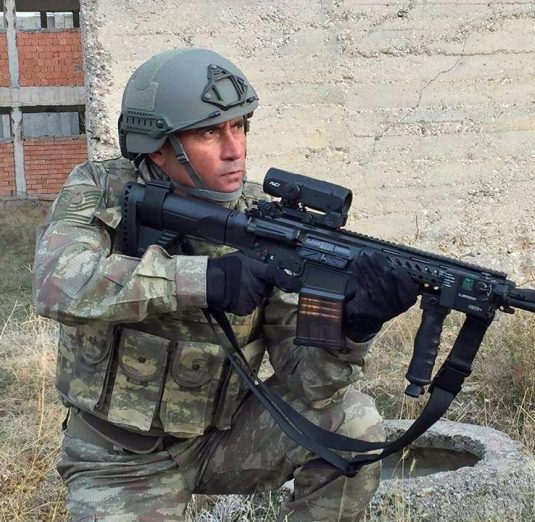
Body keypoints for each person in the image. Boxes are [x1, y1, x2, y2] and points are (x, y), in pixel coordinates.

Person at [33, 48, 419, 521]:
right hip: (118, 461)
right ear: (157, 146)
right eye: (209, 132)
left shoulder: (264, 222)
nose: (235, 149)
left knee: (353, 421)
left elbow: (310, 384)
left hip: (224, 441)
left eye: (239, 126)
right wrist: (206, 279)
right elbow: (57, 282)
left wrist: (352, 327)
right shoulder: (101, 188)